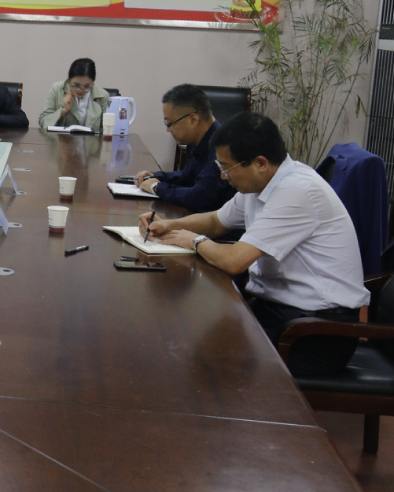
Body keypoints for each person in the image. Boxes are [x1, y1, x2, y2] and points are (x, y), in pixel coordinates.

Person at [142, 113, 368, 377]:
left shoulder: (296, 191)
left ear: (260, 163)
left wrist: (194, 241)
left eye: (227, 167)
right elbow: (216, 221)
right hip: (280, 311)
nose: (223, 176)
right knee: (187, 334)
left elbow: (234, 261)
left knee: (202, 359)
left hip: (316, 331)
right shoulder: (261, 183)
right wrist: (168, 225)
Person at [132, 84, 235, 212]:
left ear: (193, 120)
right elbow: (187, 177)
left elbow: (198, 197)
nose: (168, 129)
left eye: (170, 123)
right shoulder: (206, 138)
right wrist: (155, 176)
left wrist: (156, 187)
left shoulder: (222, 147)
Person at [38, 58, 111, 130]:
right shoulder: (57, 89)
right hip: (62, 138)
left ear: (92, 83)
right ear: (69, 80)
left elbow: (107, 129)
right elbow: (43, 122)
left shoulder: (103, 96)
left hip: (91, 138)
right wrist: (64, 110)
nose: (81, 90)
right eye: (76, 85)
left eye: (86, 86)